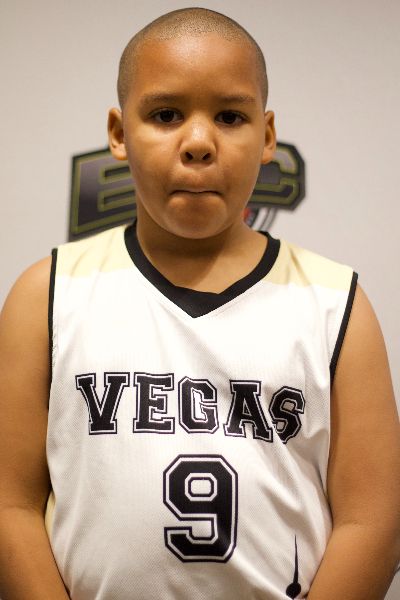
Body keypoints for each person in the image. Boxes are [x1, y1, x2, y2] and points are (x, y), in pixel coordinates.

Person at [0, 7, 399, 600]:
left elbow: (374, 525)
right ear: (118, 133)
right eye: (165, 115)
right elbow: (10, 506)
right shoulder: (47, 294)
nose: (198, 143)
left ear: (267, 136)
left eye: (230, 117)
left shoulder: (336, 305)